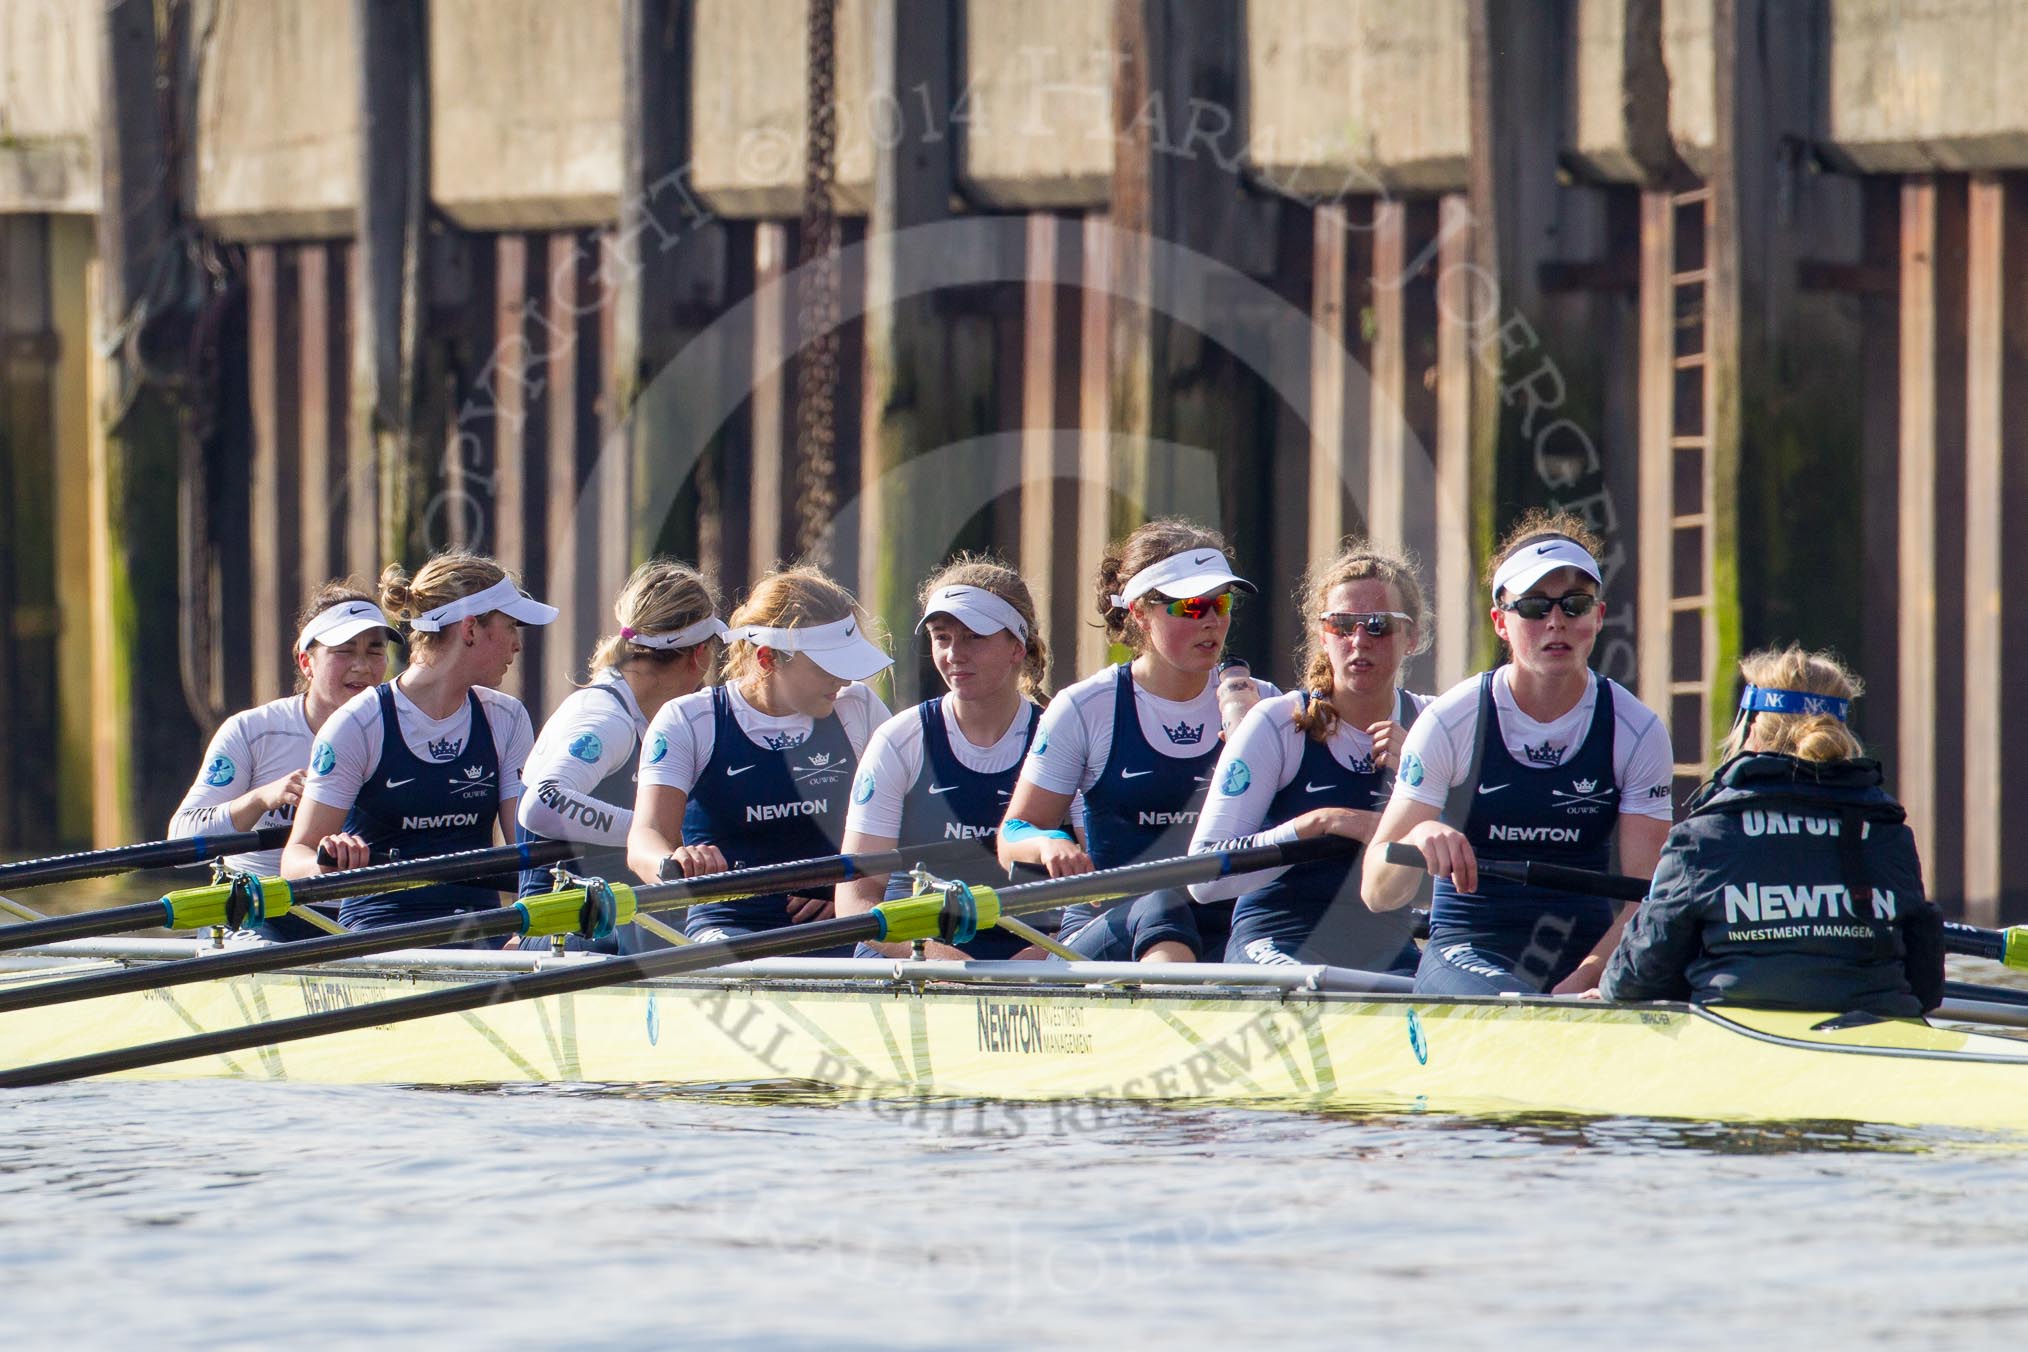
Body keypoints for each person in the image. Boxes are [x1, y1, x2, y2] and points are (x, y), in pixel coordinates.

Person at [1360, 511, 1674, 995]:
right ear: (1500, 623)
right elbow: (1377, 892)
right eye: (1533, 607)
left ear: (1598, 616)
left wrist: (1588, 978)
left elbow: (1648, 898)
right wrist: (1420, 837)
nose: (1556, 622)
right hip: (1470, 946)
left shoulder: (1637, 730)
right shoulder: (1451, 721)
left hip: (1591, 951)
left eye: (1574, 604)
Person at [1599, 647, 1944, 1016]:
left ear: (1752, 732)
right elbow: (1925, 988)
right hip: (1878, 1036)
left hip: (1738, 1043)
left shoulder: (1703, 837)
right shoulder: (1887, 833)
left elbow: (1633, 980)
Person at [998, 519, 1275, 962]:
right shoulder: (1086, 707)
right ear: (1140, 613)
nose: (1211, 621)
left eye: (1219, 603)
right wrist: (1051, 844)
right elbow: (1013, 833)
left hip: (1227, 924)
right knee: (1162, 904)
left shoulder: (1263, 703)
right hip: (1108, 926)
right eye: (1190, 607)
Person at [282, 553, 554, 936]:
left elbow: (526, 854)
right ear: (471, 629)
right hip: (379, 934)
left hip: (483, 934)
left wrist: (526, 937)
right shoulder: (358, 724)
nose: (516, 645)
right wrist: (325, 866)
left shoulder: (506, 718)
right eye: (511, 626)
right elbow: (295, 859)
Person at [1188, 542, 1431, 971]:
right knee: (1310, 991)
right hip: (1277, 933)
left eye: (1378, 626)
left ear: (1411, 638)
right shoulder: (1279, 723)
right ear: (1323, 635)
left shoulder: (1434, 725)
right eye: (1342, 625)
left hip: (1383, 941)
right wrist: (1321, 823)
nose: (1359, 640)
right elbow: (1203, 880)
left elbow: (1470, 869)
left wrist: (1422, 782)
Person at [626, 565, 892, 946]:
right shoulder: (690, 720)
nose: (844, 680)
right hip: (730, 924)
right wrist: (675, 863)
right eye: (827, 667)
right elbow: (646, 839)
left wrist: (850, 895)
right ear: (767, 659)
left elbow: (906, 825)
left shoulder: (858, 708)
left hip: (840, 923)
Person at [836, 557, 1048, 960]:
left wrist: (1040, 961)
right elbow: (856, 901)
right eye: (942, 637)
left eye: (974, 638)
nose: (954, 654)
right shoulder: (901, 740)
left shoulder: (1059, 736)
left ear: (1017, 647)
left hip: (1033, 950)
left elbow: (1096, 889)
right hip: (914, 945)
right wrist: (942, 959)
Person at [514, 559, 725, 952]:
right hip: (563, 932)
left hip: (608, 922)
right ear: (699, 655)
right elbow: (541, 803)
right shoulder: (608, 719)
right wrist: (650, 833)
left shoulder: (646, 716)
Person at [169, 582, 397, 939]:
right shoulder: (252, 731)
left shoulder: (405, 730)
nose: (362, 666)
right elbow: (182, 843)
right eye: (344, 651)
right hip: (262, 913)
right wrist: (261, 799)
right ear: (307, 662)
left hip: (363, 916)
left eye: (374, 650)